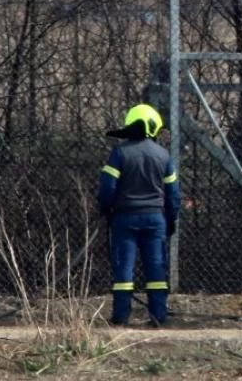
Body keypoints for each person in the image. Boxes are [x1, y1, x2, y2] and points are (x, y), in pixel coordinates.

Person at [98, 104, 181, 326]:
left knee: (123, 269)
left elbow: (107, 186)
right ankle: (158, 316)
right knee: (156, 267)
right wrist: (171, 218)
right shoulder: (164, 155)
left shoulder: (119, 153)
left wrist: (106, 208)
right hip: (155, 220)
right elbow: (173, 194)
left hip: (124, 218)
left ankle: (121, 317)